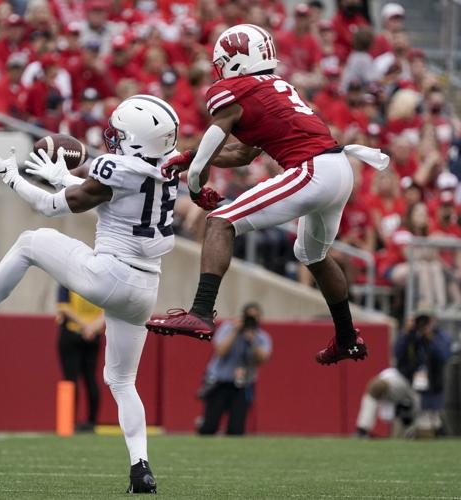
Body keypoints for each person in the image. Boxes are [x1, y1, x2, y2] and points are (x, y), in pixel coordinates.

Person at [0, 94, 183, 494]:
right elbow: (106, 192)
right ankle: (141, 467)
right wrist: (61, 176)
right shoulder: (166, 168)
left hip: (110, 274)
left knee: (30, 241)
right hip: (144, 289)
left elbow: (55, 207)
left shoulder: (117, 167)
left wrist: (13, 178)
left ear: (137, 139)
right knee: (123, 382)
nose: (114, 139)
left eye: (121, 134)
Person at [146, 24, 389, 365]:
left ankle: (200, 312)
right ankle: (348, 337)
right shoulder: (273, 87)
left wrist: (197, 186)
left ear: (235, 59)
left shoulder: (234, 89)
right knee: (311, 254)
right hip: (338, 168)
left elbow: (211, 150)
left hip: (312, 170)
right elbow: (242, 153)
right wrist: (187, 159)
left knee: (220, 221)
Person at [197, 303, 272, 436]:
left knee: (236, 429)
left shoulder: (261, 337)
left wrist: (252, 340)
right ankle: (201, 424)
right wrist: (236, 331)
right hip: (219, 381)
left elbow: (262, 359)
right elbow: (220, 351)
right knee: (209, 427)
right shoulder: (228, 328)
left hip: (242, 384)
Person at [394, 311, 452, 437]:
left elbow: (444, 357)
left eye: (426, 319)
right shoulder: (411, 335)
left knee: (427, 429)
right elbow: (397, 354)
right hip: (409, 382)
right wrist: (406, 333)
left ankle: (436, 429)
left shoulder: (441, 336)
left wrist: (430, 337)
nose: (423, 324)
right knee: (378, 388)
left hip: (431, 387)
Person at [57, 285, 105, 433]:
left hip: (72, 332)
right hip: (93, 334)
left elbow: (63, 307)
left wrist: (84, 326)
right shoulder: (102, 281)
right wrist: (91, 327)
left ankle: (69, 422)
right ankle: (91, 422)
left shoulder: (67, 278)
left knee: (71, 380)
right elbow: (110, 309)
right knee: (90, 378)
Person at [355, 367, 416, 438]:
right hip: (387, 384)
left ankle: (408, 432)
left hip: (405, 394)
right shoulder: (375, 386)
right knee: (369, 401)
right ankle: (362, 431)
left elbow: (412, 399)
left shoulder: (400, 387)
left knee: (403, 411)